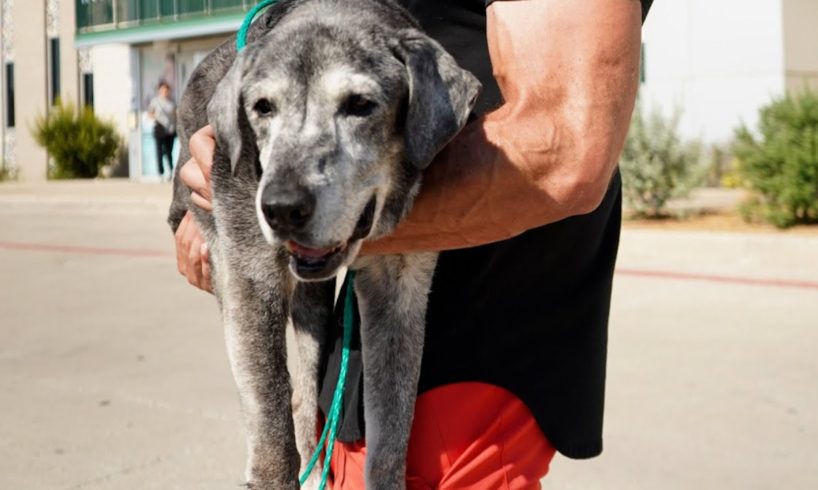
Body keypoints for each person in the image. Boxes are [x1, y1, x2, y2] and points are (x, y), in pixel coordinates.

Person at [175, 0, 653, 487]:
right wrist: (210, 202)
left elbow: (566, 153)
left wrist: (279, 218)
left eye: (357, 104)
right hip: (361, 350)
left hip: (486, 327)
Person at [148, 80, 177, 181]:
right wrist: (155, 117)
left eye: (167, 89)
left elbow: (176, 115)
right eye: (163, 89)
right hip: (159, 129)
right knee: (159, 152)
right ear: (159, 90)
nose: (165, 91)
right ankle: (160, 173)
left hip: (170, 130)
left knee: (169, 152)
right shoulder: (155, 102)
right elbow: (150, 113)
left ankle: (171, 171)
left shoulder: (172, 102)